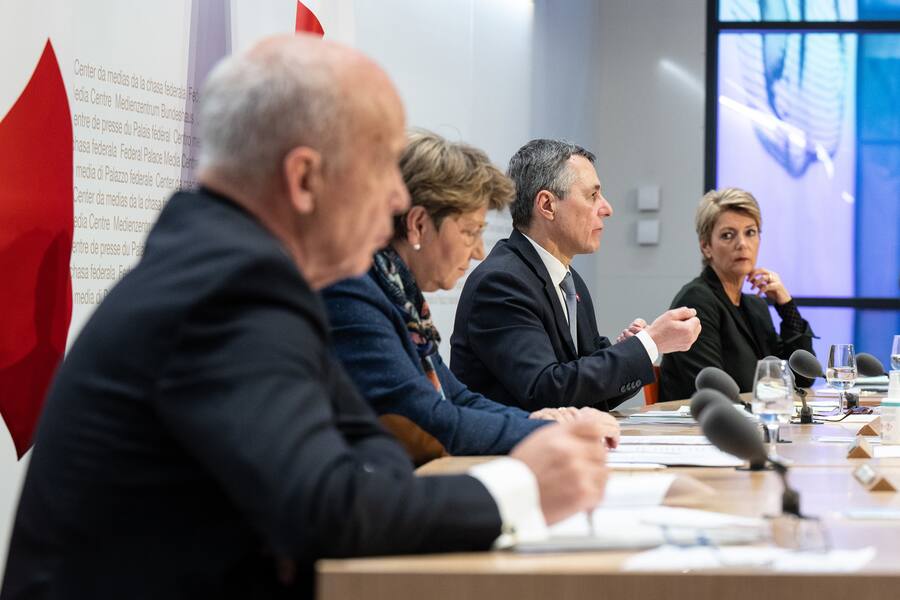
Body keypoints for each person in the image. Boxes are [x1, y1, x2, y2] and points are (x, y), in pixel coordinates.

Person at [1, 36, 611, 600]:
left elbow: (367, 450)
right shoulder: (232, 289)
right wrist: (521, 488)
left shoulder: (239, 270)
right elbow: (326, 508)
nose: (398, 198)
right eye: (381, 165)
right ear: (303, 179)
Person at [322, 131, 619, 466]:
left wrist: (537, 421)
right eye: (469, 231)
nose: (479, 252)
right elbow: (430, 416)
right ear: (418, 225)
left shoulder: (397, 293)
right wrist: (543, 432)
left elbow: (456, 396)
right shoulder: (354, 293)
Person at [450, 138, 701, 412]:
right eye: (592, 196)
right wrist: (649, 343)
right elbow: (547, 391)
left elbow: (587, 392)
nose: (607, 209)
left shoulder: (569, 280)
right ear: (547, 205)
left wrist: (631, 349)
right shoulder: (501, 282)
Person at [659, 188, 815, 402]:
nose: (742, 244)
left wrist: (785, 305)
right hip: (708, 420)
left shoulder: (755, 306)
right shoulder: (696, 301)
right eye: (728, 235)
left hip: (756, 415)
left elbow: (802, 378)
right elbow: (714, 390)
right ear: (706, 247)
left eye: (750, 232)